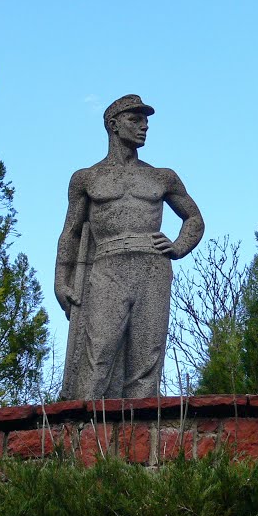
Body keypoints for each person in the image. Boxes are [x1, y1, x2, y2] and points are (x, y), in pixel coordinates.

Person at [55, 94, 204, 399]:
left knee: (147, 356)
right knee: (98, 351)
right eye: (135, 120)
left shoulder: (161, 176)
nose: (144, 126)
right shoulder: (87, 178)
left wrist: (177, 247)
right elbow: (70, 233)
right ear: (113, 124)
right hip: (107, 265)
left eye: (146, 120)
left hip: (153, 266)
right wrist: (61, 279)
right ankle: (84, 433)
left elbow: (195, 219)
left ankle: (138, 439)